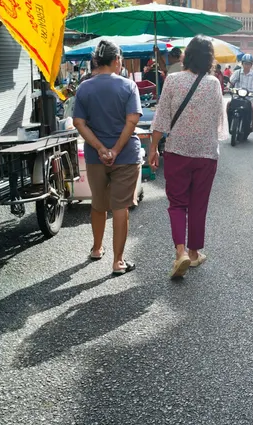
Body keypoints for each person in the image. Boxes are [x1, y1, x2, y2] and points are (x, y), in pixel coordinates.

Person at [149, 36, 227, 279]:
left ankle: (180, 252)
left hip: (177, 152)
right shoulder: (214, 83)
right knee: (198, 204)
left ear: (187, 55)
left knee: (177, 203)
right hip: (205, 154)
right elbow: (218, 121)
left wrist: (152, 148)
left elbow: (161, 119)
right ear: (209, 59)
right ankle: (194, 253)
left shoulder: (172, 80)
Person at [72, 40, 142, 276]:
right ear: (115, 61)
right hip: (125, 156)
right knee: (120, 206)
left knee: (98, 204)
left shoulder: (84, 88)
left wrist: (101, 149)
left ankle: (96, 248)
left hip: (94, 157)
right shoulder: (128, 86)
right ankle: (118, 262)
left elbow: (78, 123)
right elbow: (132, 120)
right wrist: (115, 150)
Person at [229, 54, 253, 131]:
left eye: (249, 64)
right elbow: (231, 82)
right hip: (237, 96)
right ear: (242, 64)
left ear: (251, 65)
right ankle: (228, 122)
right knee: (228, 104)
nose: (247, 65)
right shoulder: (237, 73)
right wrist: (228, 87)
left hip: (249, 97)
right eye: (245, 63)